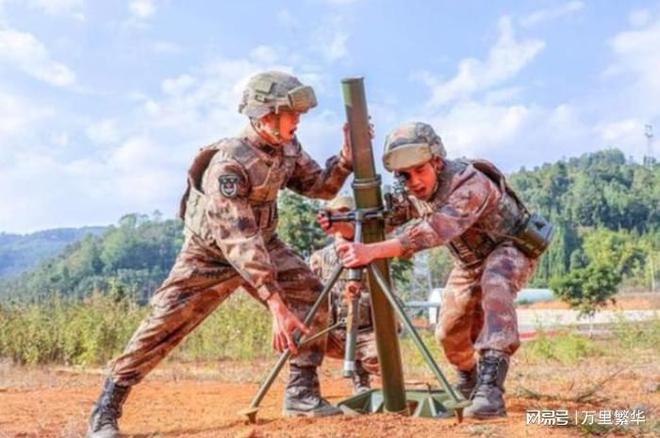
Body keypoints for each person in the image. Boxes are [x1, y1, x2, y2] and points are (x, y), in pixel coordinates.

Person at [87, 71, 354, 438]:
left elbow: (320, 187)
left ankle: (301, 393)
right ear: (266, 115)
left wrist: (346, 159)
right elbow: (237, 239)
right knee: (163, 325)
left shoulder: (287, 147)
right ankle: (106, 409)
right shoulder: (230, 162)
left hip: (262, 242)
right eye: (292, 113)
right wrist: (275, 303)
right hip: (211, 253)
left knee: (310, 295)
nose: (299, 120)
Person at [332, 122, 552, 419]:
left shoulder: (469, 183)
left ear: (437, 161)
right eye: (405, 176)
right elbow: (385, 220)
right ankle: (469, 378)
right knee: (449, 331)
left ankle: (490, 389)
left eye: (420, 170)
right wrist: (344, 226)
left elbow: (435, 230)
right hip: (469, 262)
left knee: (496, 284)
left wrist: (372, 251)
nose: (415, 182)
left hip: (508, 249)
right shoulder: (413, 191)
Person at [309, 195, 379, 394]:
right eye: (336, 214)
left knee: (381, 357)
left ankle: (365, 381)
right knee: (301, 335)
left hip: (367, 332)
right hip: (331, 333)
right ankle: (304, 389)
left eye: (346, 212)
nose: (341, 218)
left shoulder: (372, 251)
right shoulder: (319, 258)